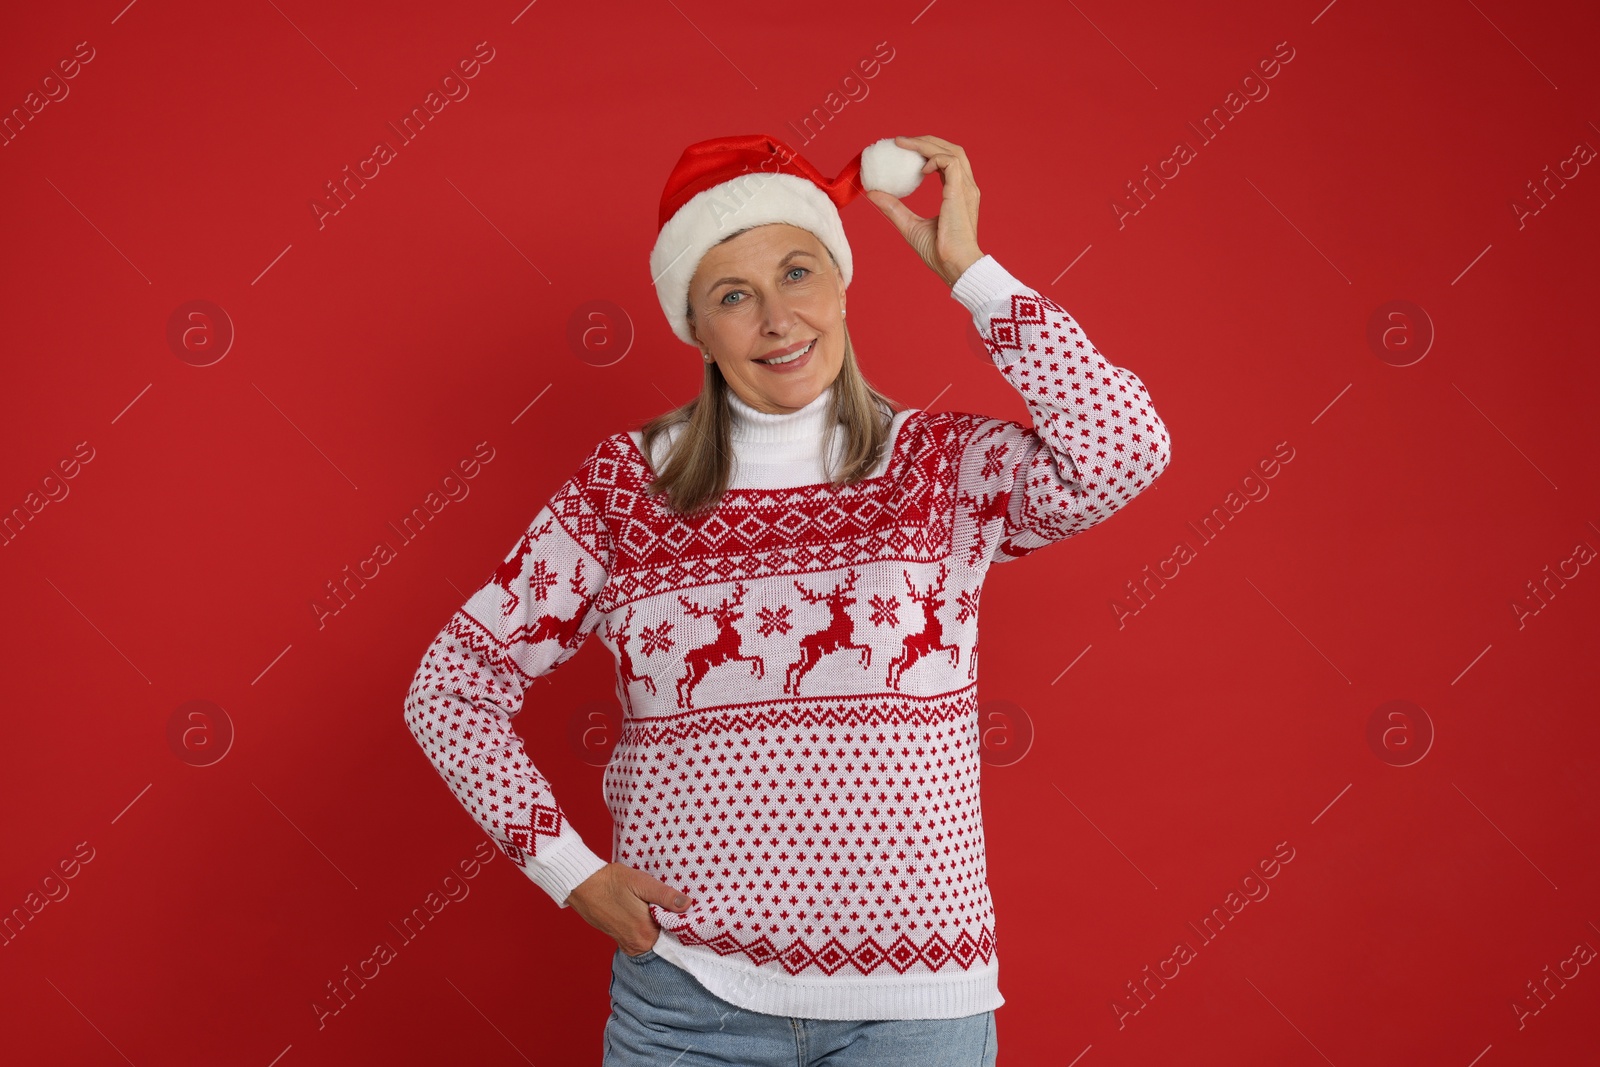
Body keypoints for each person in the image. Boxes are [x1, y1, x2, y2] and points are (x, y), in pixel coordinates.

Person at [404, 132, 1171, 1065]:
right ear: (695, 325)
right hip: (689, 1001)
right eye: (733, 294)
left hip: (916, 1007)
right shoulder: (625, 491)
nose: (777, 318)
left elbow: (1125, 445)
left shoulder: (939, 469)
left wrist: (969, 270)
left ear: (842, 286)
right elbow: (450, 689)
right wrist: (573, 876)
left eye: (799, 271)